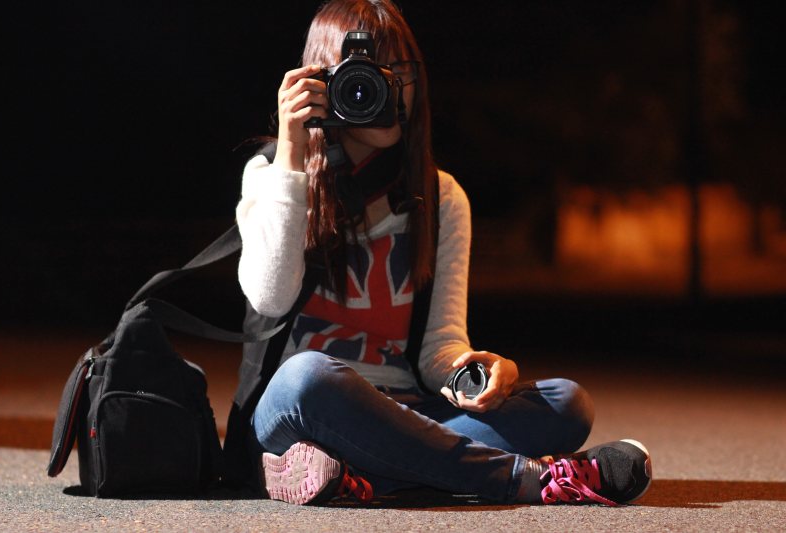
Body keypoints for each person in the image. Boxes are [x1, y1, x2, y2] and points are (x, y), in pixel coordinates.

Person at [236, 0, 652, 506]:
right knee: (308, 375)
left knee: (566, 403)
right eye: (367, 75)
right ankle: (526, 479)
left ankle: (353, 474)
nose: (392, 91)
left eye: (401, 73)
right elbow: (270, 299)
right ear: (320, 82)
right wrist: (292, 153)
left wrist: (471, 371)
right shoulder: (272, 176)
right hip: (299, 409)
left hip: (409, 410)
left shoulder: (440, 196)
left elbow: (439, 349)